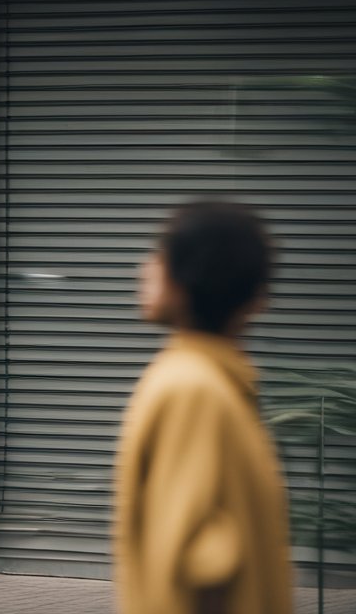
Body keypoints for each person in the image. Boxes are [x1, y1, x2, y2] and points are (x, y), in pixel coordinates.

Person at [114, 201, 293, 614]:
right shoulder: (196, 390)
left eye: (159, 254)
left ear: (182, 280)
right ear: (255, 299)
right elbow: (202, 566)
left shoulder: (199, 385)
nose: (145, 266)